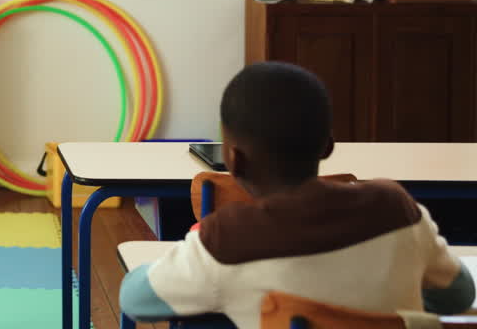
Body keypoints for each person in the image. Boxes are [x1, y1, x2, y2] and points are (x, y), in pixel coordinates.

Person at [120, 62, 475, 329]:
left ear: (232, 158)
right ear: (328, 146)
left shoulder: (227, 241)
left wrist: (196, 243)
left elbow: (134, 299)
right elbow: (458, 294)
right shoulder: (396, 208)